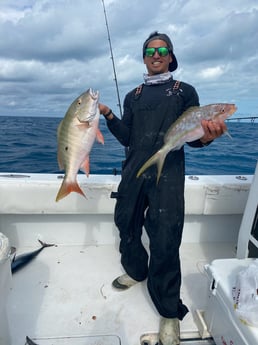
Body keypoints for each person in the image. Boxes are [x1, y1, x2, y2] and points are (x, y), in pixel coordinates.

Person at [99, 31, 227, 345]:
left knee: (166, 237)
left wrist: (208, 137)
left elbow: (194, 137)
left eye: (162, 50)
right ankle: (136, 270)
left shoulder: (185, 91)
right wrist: (109, 115)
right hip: (133, 171)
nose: (156, 54)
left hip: (168, 172)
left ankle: (169, 312)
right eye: (150, 50)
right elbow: (127, 137)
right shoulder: (134, 95)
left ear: (170, 57)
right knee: (125, 223)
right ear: (144, 57)